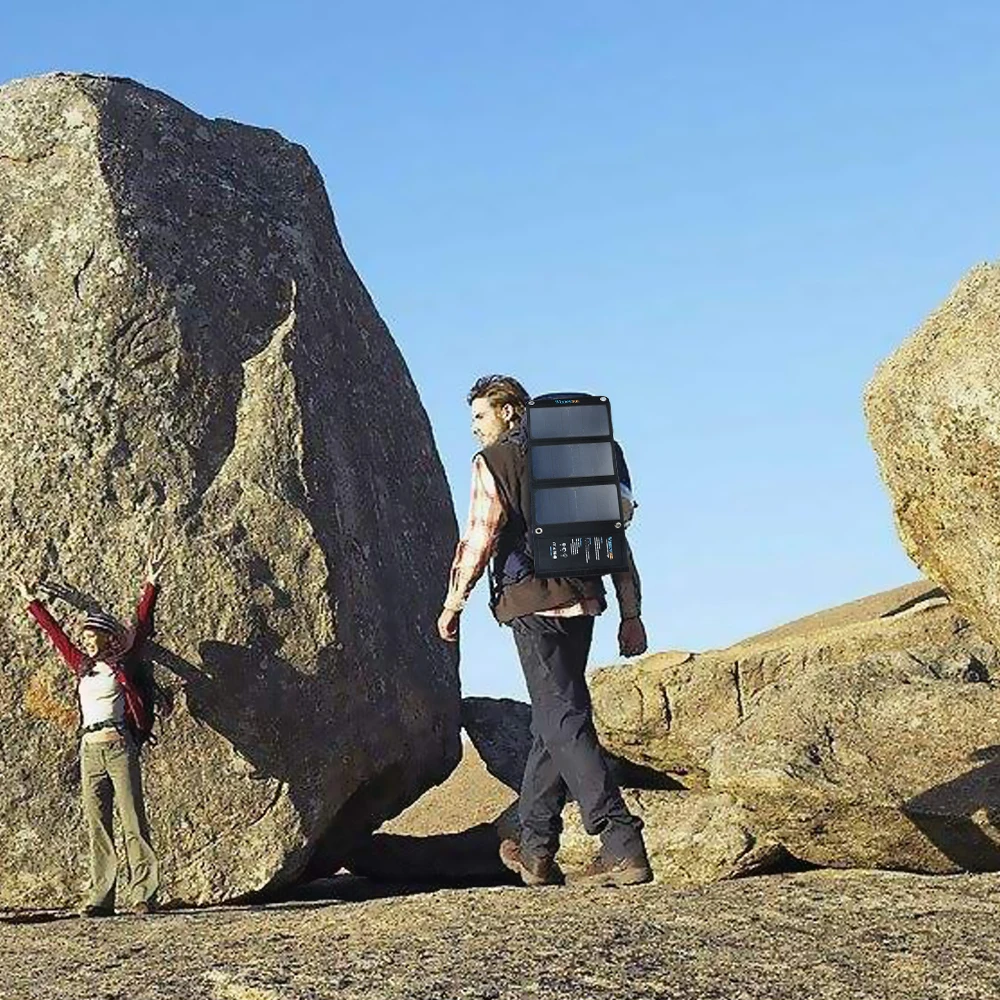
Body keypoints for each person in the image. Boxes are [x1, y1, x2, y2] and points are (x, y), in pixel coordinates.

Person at [437, 375, 652, 887]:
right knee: (552, 722)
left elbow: (480, 536)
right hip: (583, 599)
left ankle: (622, 841)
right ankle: (536, 850)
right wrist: (630, 608)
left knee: (563, 719)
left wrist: (454, 600)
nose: (475, 430)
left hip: (531, 603)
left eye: (480, 417)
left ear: (509, 413)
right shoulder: (579, 453)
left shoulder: (495, 462)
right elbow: (613, 533)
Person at [15, 534, 166, 916]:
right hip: (89, 749)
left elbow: (142, 626)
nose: (87, 638)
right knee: (97, 824)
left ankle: (143, 894)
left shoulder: (122, 663)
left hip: (118, 745)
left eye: (93, 633)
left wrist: (151, 583)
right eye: (85, 634)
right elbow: (55, 637)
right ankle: (102, 897)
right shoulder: (81, 665)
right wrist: (33, 602)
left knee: (132, 818)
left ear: (106, 637)